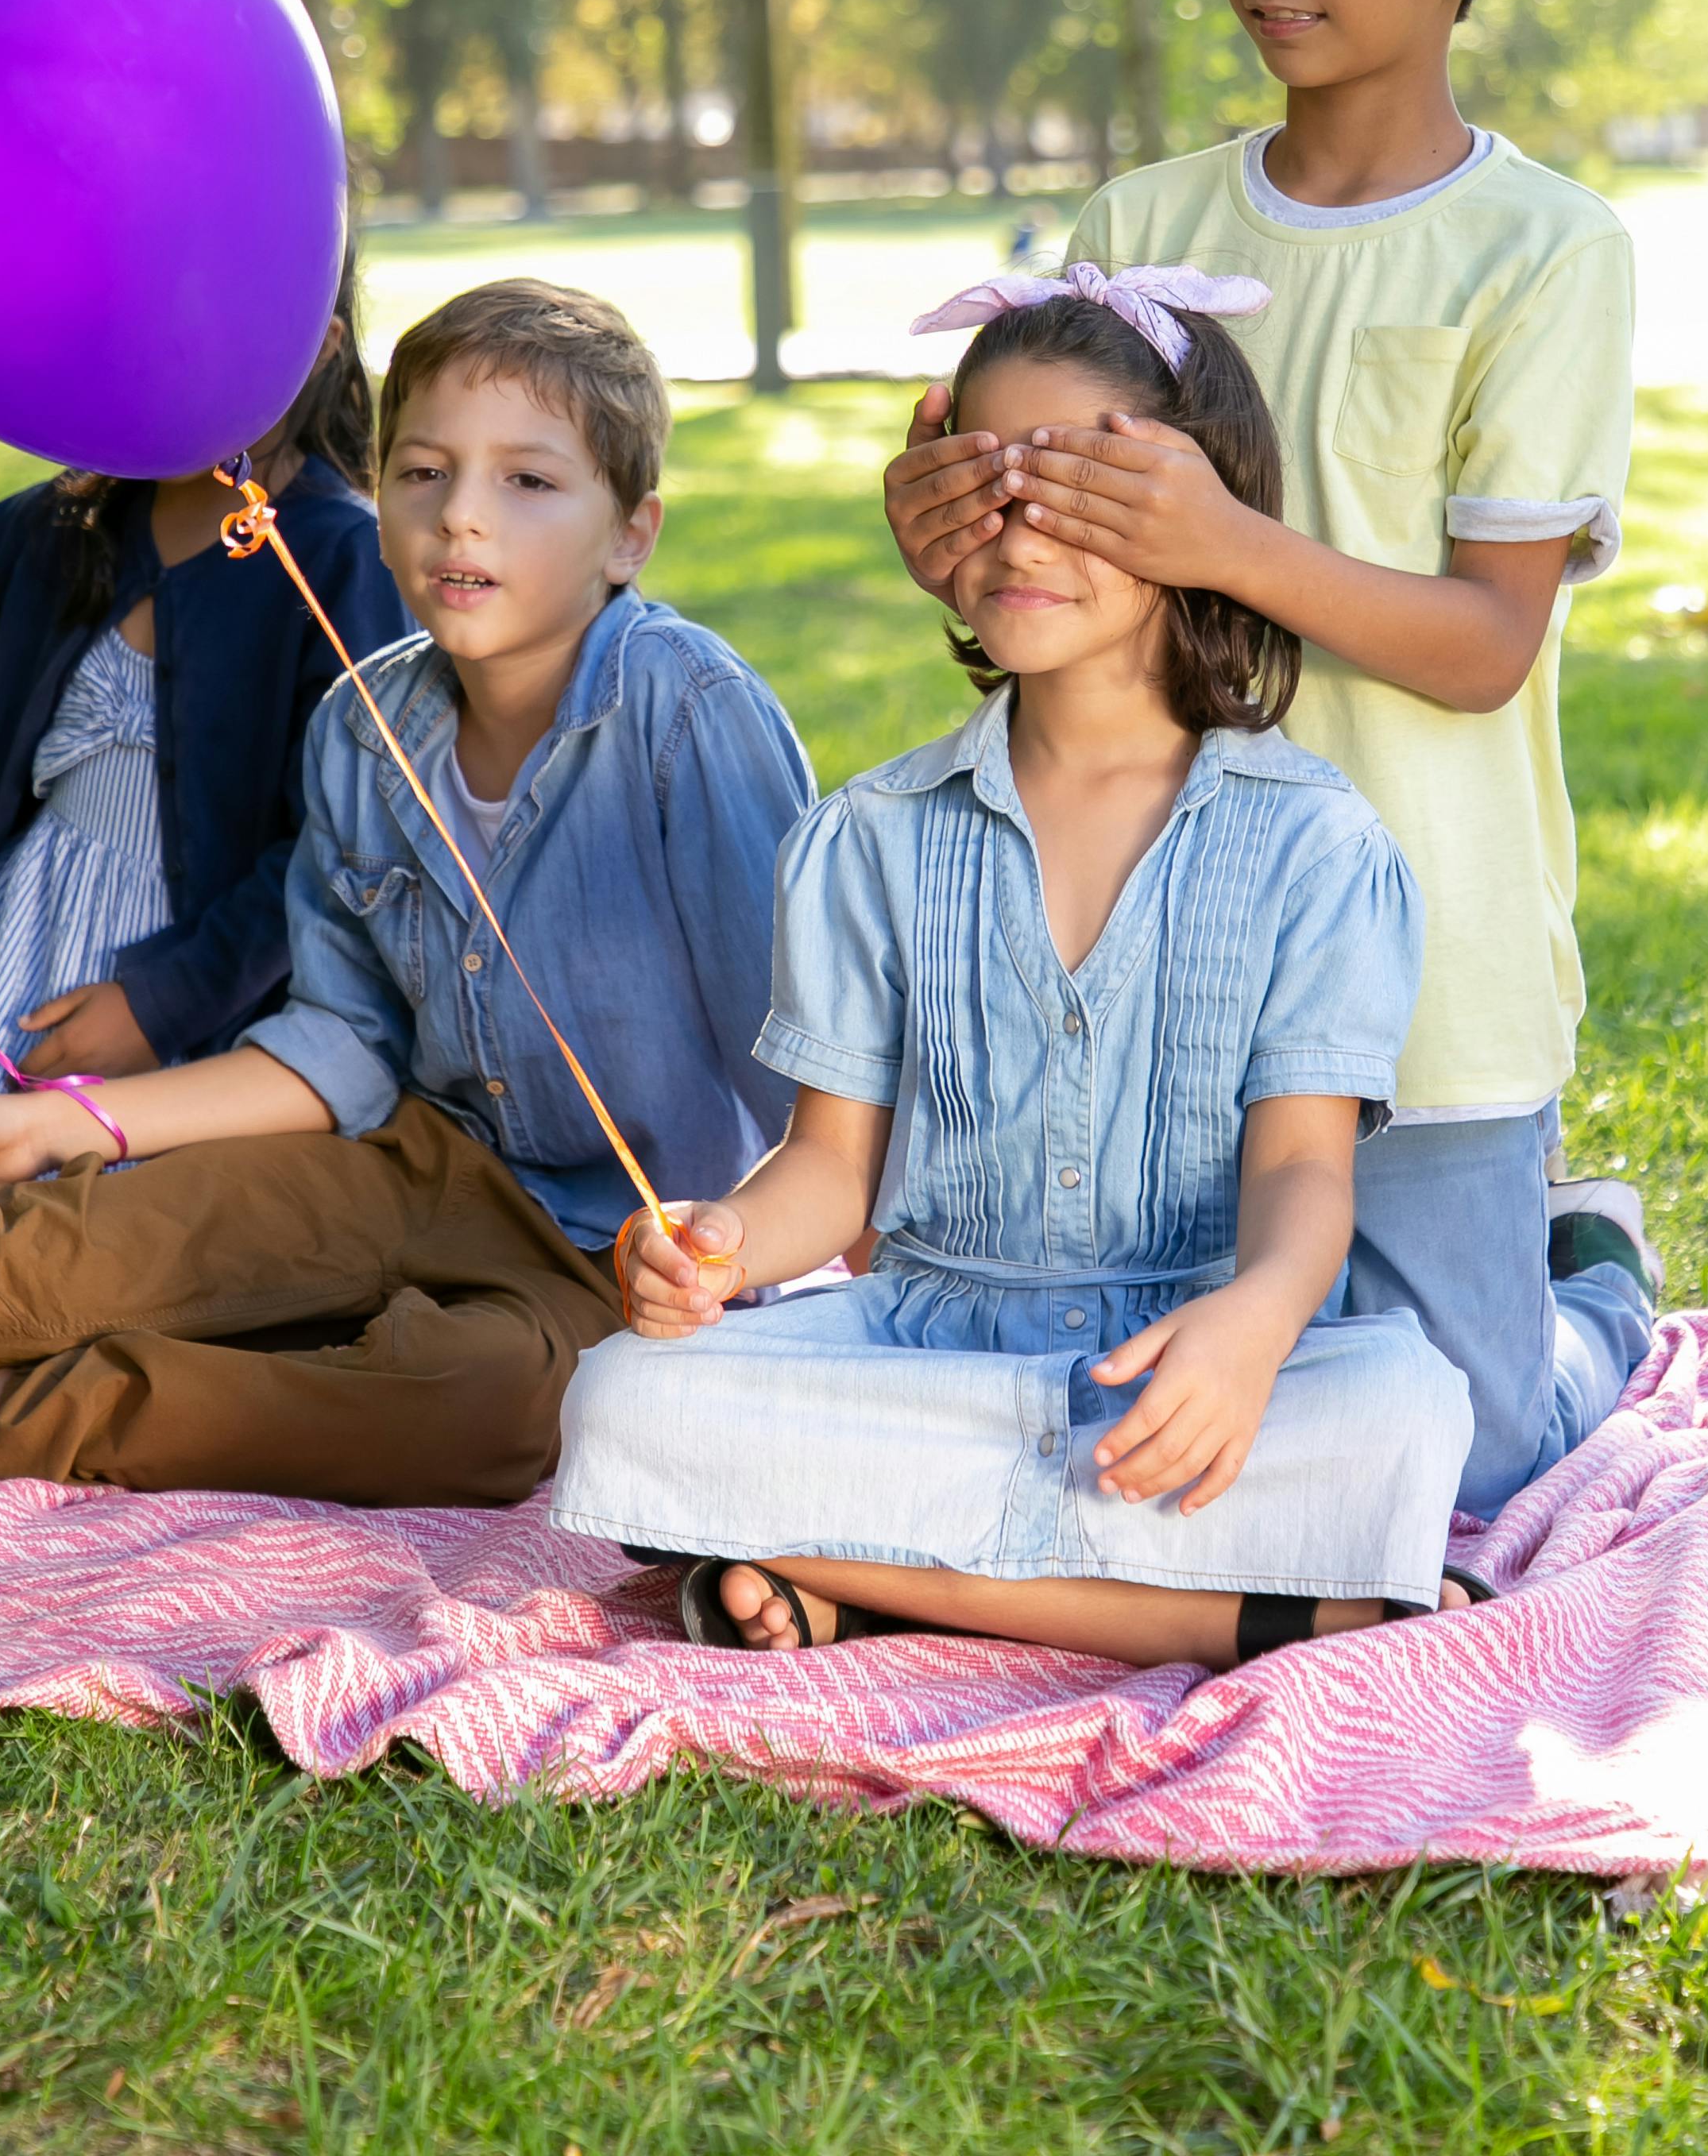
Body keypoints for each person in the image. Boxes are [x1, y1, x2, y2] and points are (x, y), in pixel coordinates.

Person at [881, 0, 1656, 1522]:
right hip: (1155, 950)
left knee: (1451, 1451)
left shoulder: (1543, 252)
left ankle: (1594, 1286)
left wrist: (1225, 543)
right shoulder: (1143, 229)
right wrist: (961, 547)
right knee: (1129, 1398)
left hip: (1428, 981)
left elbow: (1482, 646)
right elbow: (1052, 610)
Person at [554, 276, 1479, 1667]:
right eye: (980, 487)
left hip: (1185, 1367)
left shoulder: (1314, 847)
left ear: (1191, 506)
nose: (1018, 534)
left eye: (1080, 486)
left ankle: (861, 1574)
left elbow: (1303, 1176)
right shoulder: (864, 839)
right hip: (920, 1351)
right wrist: (722, 1245)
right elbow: (831, 1173)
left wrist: (1248, 1326)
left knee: (1406, 1410)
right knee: (624, 1400)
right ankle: (1283, 1610)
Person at [0, 279, 815, 1506]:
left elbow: (808, 1069)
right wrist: (68, 1122)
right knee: (48, 1250)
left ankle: (34, 1411)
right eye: (423, 473)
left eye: (527, 482)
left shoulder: (686, 715)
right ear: (379, 508)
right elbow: (340, 1044)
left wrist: (736, 1255)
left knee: (480, 1405)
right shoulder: (360, 729)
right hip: (408, 1165)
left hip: (612, 1251)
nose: (462, 519)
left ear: (630, 531)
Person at [0, 254, 406, 1088]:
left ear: (316, 348)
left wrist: (164, 1004)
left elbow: (340, 842)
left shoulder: (342, 558)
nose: (168, 366)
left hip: (189, 1012)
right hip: (13, 929)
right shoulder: (77, 516)